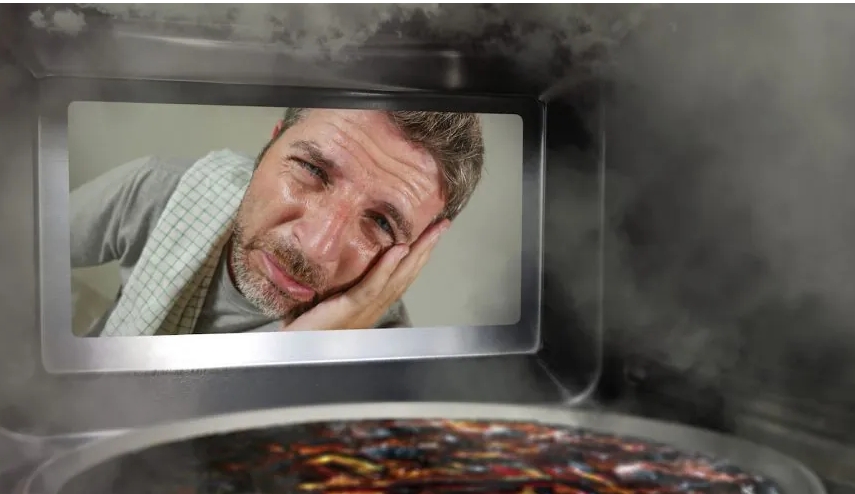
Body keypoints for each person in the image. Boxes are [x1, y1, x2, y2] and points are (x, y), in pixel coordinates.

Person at [70, 108, 485, 336]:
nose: (315, 246)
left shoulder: (384, 348)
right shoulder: (159, 190)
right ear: (267, 147)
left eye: (379, 222)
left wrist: (307, 352)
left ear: (414, 253)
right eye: (312, 170)